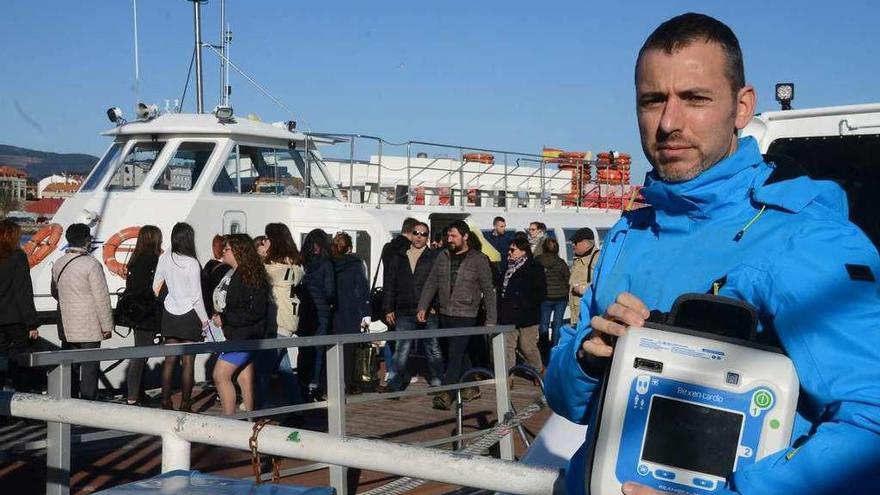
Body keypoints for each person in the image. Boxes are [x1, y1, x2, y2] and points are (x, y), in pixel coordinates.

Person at [544, 13, 880, 495]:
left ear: (742, 107)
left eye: (695, 99)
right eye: (652, 100)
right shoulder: (629, 233)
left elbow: (871, 423)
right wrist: (588, 360)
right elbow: (566, 400)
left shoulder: (807, 238)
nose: (669, 123)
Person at [417, 220, 496, 410]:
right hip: (445, 312)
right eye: (448, 236)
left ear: (465, 236)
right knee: (460, 354)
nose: (449, 240)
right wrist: (423, 306)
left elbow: (488, 290)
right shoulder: (442, 256)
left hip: (467, 313)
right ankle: (471, 388)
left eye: (454, 236)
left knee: (455, 354)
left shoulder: (479, 259)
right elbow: (432, 282)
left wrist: (491, 320)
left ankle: (447, 393)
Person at [52, 223, 114, 400]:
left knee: (69, 366)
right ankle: (87, 404)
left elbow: (54, 291)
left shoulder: (59, 263)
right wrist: (107, 325)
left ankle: (68, 401)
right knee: (89, 367)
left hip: (66, 323)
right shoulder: (91, 264)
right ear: (87, 241)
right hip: (89, 325)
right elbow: (101, 298)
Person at [153, 222, 209, 411]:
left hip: (170, 312)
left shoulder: (165, 258)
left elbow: (156, 285)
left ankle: (165, 400)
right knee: (188, 361)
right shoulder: (192, 263)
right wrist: (204, 320)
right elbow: (196, 297)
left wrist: (168, 298)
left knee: (169, 360)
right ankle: (185, 402)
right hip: (189, 316)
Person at [211, 234, 269, 415]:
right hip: (243, 334)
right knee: (244, 378)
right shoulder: (240, 273)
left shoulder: (247, 276)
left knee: (220, 376)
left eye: (226, 249)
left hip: (243, 335)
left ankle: (230, 421)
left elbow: (255, 310)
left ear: (237, 251)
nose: (223, 252)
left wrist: (226, 318)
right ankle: (251, 420)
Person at [381, 221, 443, 392]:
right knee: (402, 348)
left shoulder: (434, 257)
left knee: (433, 347)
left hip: (428, 309)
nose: (419, 236)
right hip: (404, 308)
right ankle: (395, 382)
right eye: (416, 233)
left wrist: (435, 305)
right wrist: (388, 308)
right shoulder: (399, 256)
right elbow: (390, 283)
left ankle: (437, 380)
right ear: (411, 234)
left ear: (427, 237)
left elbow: (440, 283)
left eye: (423, 234)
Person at [262, 223, 304, 405]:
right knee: (283, 367)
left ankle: (257, 407)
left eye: (266, 238)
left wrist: (260, 257)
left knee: (262, 369)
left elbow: (260, 275)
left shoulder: (275, 268)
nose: (264, 241)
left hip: (279, 320)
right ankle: (296, 405)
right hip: (290, 318)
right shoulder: (296, 265)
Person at [123, 225, 162, 406]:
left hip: (136, 312)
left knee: (141, 353)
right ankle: (133, 395)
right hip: (146, 312)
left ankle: (137, 392)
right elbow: (147, 288)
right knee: (140, 355)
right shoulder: (150, 259)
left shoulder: (136, 258)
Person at [0, 219, 39, 391]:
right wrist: (31, 323)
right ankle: (22, 400)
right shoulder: (17, 257)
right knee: (20, 360)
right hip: (14, 319)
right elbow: (22, 291)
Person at [331, 232, 372, 394]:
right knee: (349, 351)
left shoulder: (329, 263)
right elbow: (361, 289)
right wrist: (366, 312)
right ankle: (349, 384)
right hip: (351, 311)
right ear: (350, 248)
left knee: (332, 349)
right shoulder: (356, 264)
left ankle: (330, 383)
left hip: (334, 311)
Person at [297, 228, 335, 401]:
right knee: (318, 349)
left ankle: (301, 383)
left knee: (304, 348)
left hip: (304, 311)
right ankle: (314, 385)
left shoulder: (302, 262)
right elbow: (330, 291)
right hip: (321, 312)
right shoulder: (326, 263)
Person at [498, 236, 545, 373]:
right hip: (508, 313)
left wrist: (525, 303)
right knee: (508, 346)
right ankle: (509, 375)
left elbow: (541, 292)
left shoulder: (535, 267)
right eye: (509, 250)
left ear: (523, 251)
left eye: (513, 250)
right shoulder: (507, 267)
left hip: (527, 315)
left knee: (527, 346)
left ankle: (538, 368)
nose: (509, 252)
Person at [535, 237, 570, 364]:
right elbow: (567, 279)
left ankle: (544, 347)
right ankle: (555, 348)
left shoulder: (537, 261)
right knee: (558, 323)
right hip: (561, 297)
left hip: (545, 297)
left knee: (544, 323)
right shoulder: (561, 263)